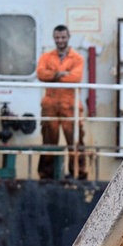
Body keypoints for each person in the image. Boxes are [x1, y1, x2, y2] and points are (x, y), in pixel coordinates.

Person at [36, 24, 87, 180]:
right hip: (50, 105)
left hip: (70, 105)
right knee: (49, 142)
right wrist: (60, 74)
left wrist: (53, 75)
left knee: (75, 141)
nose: (60, 40)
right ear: (54, 38)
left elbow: (75, 77)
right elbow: (40, 73)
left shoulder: (77, 58)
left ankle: (78, 173)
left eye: (63, 37)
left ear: (68, 37)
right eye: (57, 37)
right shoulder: (46, 57)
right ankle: (47, 175)